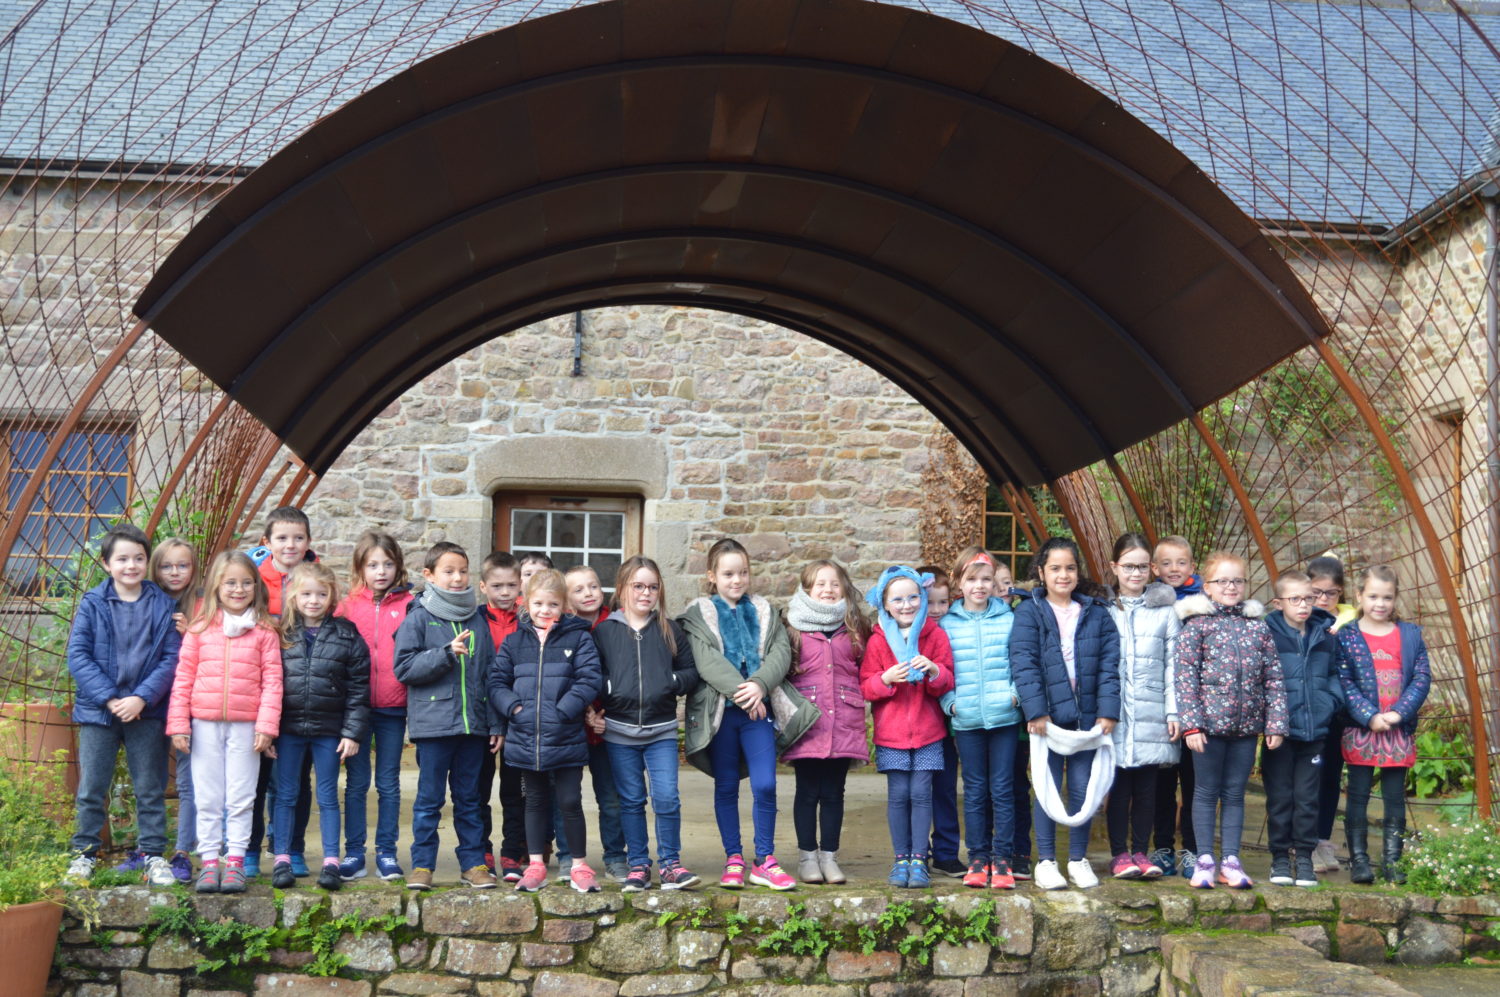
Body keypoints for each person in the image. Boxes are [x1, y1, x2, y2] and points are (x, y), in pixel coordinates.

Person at [680, 538, 817, 891]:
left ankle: (765, 859)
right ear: (712, 576)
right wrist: (744, 696)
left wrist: (759, 686)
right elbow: (706, 660)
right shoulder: (699, 614)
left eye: (742, 572)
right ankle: (734, 858)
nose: (736, 580)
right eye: (728, 574)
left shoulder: (765, 610)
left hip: (759, 713)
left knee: (765, 784)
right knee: (726, 785)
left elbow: (780, 653)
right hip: (722, 714)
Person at [65, 524, 185, 888]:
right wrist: (111, 698)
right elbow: (78, 654)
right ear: (106, 563)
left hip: (146, 711)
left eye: (138, 558)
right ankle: (83, 855)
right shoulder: (93, 603)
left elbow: (170, 658)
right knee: (92, 787)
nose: (131, 565)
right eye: (122, 559)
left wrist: (141, 698)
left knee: (150, 787)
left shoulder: (164, 605)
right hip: (99, 712)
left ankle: (153, 856)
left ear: (147, 562)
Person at [163, 551, 281, 894]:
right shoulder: (199, 629)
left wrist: (266, 726)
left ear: (256, 587)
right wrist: (179, 724)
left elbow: (273, 682)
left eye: (246, 583)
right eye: (230, 582)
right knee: (209, 796)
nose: (238, 589)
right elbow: (183, 678)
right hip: (204, 725)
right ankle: (210, 861)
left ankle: (235, 863)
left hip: (247, 727)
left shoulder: (264, 631)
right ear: (216, 585)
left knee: (242, 797)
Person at [1010, 537, 1120, 891]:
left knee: (1083, 789)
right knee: (1047, 788)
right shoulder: (1029, 611)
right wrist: (1036, 710)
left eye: (1070, 568)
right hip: (1048, 720)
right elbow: (1023, 663)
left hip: (1087, 717)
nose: (1063, 575)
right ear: (1041, 572)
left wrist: (1107, 711)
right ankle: (1045, 861)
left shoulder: (1096, 613)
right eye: (1055, 568)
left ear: (1078, 572)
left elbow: (1109, 666)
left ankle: (1077, 859)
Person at [1175, 551, 1287, 889]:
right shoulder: (1197, 626)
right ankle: (1205, 859)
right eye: (1222, 581)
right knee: (1206, 792)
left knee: (1236, 794)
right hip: (1207, 730)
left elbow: (1274, 678)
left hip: (1245, 728)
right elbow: (1185, 678)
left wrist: (1275, 723)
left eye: (1237, 580)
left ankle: (1232, 860)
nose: (1231, 586)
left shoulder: (1258, 628)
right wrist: (1191, 724)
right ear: (1207, 586)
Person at [393, 541, 500, 890]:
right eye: (448, 571)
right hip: (434, 728)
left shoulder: (478, 618)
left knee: (470, 800)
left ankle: (473, 864)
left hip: (474, 728)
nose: (457, 578)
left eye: (463, 571)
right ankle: (423, 865)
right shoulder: (419, 616)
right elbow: (404, 667)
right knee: (429, 800)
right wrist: (444, 654)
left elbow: (489, 674)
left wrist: (495, 723)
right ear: (429, 576)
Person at [490, 569, 604, 893]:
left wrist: (564, 710)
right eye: (538, 603)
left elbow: (588, 679)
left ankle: (580, 865)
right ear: (526, 603)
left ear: (564, 606)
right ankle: (536, 864)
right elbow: (497, 681)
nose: (544, 610)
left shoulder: (579, 637)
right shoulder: (514, 641)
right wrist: (514, 709)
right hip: (527, 737)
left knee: (570, 800)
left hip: (565, 736)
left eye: (552, 604)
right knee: (535, 801)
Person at [593, 556, 700, 892]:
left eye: (652, 587)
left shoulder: (669, 629)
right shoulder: (605, 631)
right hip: (620, 733)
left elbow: (691, 673)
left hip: (662, 732)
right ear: (622, 588)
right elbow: (594, 674)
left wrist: (667, 681)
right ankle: (639, 865)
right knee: (631, 800)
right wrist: (609, 690)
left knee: (667, 798)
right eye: (638, 586)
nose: (646, 593)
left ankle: (671, 864)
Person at [270, 563, 369, 891]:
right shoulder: (280, 633)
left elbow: (358, 686)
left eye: (321, 594)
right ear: (293, 596)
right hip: (288, 729)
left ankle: (330, 861)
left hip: (329, 730)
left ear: (332, 597)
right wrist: (268, 729)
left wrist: (352, 732)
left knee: (328, 796)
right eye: (306, 593)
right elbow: (267, 682)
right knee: (286, 794)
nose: (313, 600)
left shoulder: (347, 633)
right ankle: (282, 858)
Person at [861, 565, 955, 888]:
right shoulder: (878, 642)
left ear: (923, 599)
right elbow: (866, 686)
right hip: (892, 734)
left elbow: (947, 680)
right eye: (897, 600)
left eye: (913, 598)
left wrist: (933, 670)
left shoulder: (935, 636)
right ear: (885, 604)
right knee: (899, 794)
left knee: (921, 793)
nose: (906, 605)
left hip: (929, 732)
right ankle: (901, 858)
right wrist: (885, 679)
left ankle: (919, 859)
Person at [1336, 565, 1430, 884]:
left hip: (1397, 730)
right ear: (1360, 596)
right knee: (1358, 794)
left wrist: (1398, 713)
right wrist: (1369, 715)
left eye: (1387, 597)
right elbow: (1343, 680)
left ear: (1395, 599)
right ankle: (1358, 860)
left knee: (1393, 796)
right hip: (1361, 730)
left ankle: (1392, 860)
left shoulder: (1410, 635)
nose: (1380, 603)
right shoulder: (1347, 636)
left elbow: (1421, 678)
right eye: (1373, 596)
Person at [782, 559, 871, 886]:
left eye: (835, 584)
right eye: (820, 584)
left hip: (844, 720)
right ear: (807, 589)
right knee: (807, 791)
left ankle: (829, 856)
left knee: (834, 792)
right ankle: (807, 857)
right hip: (809, 721)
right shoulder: (792, 625)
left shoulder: (855, 626)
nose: (828, 590)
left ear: (844, 588)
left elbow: (865, 666)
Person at [938, 548, 1020, 890]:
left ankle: (1002, 858)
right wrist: (951, 703)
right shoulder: (946, 623)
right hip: (967, 719)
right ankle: (977, 856)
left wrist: (1015, 695)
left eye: (986, 579)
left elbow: (1020, 661)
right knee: (973, 791)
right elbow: (941, 669)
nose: (980, 586)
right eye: (971, 579)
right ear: (959, 581)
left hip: (1004, 718)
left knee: (1003, 789)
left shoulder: (1009, 618)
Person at [335, 531, 413, 882]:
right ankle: (354, 853)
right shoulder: (348, 607)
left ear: (398, 566)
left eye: (387, 564)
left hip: (394, 708)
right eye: (372, 565)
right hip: (356, 709)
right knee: (355, 783)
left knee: (389, 783)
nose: (380, 571)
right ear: (360, 568)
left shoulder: (411, 605)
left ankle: (386, 852)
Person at [1104, 533, 1181, 880]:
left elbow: (1172, 666)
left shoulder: (1166, 612)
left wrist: (1173, 710)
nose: (1135, 574)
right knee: (1118, 786)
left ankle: (1141, 850)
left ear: (1151, 569)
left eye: (1141, 567)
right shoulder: (1102, 609)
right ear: (1115, 567)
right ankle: (1119, 853)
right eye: (1128, 566)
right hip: (1114, 711)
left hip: (1151, 710)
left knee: (1147, 787)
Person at [246, 506, 317, 877]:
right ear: (267, 542)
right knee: (256, 778)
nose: (290, 545)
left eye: (298, 538)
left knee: (293, 779)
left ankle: (290, 846)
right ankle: (249, 849)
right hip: (258, 689)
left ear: (308, 542)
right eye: (282, 538)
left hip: (300, 693)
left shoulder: (315, 580)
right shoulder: (253, 580)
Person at [1262, 569, 1340, 888]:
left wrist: (1329, 703)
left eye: (1309, 598)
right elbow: (1261, 679)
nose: (1304, 605)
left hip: (1314, 732)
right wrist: (1270, 720)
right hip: (1279, 733)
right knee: (1281, 796)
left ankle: (1305, 857)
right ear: (1279, 602)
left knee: (1308, 798)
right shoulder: (1268, 635)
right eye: (1295, 599)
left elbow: (1334, 675)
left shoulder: (1323, 635)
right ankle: (1281, 856)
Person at [564, 564, 630, 883]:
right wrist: (585, 710)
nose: (588, 593)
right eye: (578, 589)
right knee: (566, 796)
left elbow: (626, 673)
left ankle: (616, 856)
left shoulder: (617, 623)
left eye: (593, 586)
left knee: (611, 796)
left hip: (610, 723)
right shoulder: (563, 628)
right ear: (566, 597)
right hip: (572, 724)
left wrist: (605, 714)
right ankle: (567, 856)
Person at [1149, 534, 1201, 878]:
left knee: (1196, 783)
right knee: (1162, 786)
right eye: (1165, 563)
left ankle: (1194, 850)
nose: (1173, 569)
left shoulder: (1204, 603)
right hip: (1161, 705)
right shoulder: (1150, 601)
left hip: (1196, 705)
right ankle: (1163, 847)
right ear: (1154, 568)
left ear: (1192, 567)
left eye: (1180, 562)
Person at [149, 537, 201, 883]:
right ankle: (149, 849)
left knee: (187, 779)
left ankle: (184, 849)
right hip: (152, 699)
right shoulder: (147, 600)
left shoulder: (202, 603)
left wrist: (193, 633)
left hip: (191, 701)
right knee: (150, 775)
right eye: (167, 566)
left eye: (182, 565)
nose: (175, 572)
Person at [476, 551, 524, 881]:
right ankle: (481, 851)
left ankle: (512, 853)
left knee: (514, 791)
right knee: (478, 790)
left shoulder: (528, 619)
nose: (505, 592)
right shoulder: (474, 619)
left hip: (518, 717)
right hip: (481, 718)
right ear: (483, 586)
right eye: (497, 586)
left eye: (511, 585)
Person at [1307, 553, 1356, 874]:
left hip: (1338, 715)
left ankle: (1323, 838)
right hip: (1308, 714)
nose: (1323, 600)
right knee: (1306, 779)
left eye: (1331, 593)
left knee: (1329, 779)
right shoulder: (1301, 617)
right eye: (1317, 593)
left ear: (1341, 592)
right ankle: (1306, 842)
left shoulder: (1350, 624)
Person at [919, 564, 964, 879]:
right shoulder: (905, 630)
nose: (935, 610)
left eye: (942, 602)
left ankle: (947, 851)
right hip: (917, 722)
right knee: (917, 791)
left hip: (949, 723)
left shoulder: (956, 629)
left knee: (946, 788)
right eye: (929, 602)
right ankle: (917, 850)